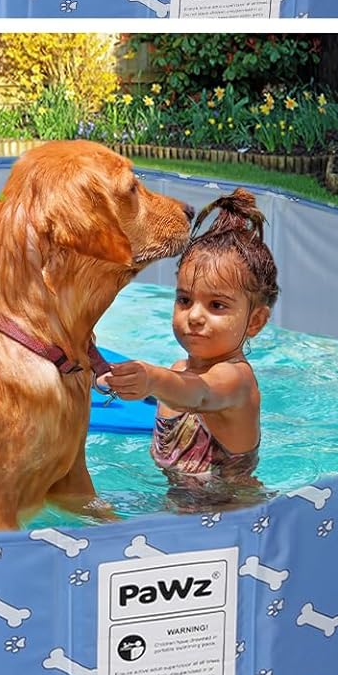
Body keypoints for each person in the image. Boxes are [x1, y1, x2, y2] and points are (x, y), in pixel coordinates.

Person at [102, 190, 277, 501]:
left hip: (233, 514)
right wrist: (108, 378)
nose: (194, 315)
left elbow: (199, 393)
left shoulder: (236, 380)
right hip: (181, 507)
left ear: (255, 322)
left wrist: (152, 379)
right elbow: (178, 386)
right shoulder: (177, 371)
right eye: (184, 300)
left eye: (217, 306)